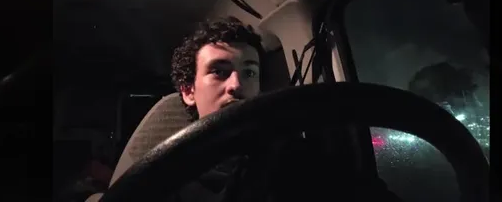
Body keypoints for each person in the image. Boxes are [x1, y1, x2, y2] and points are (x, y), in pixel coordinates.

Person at [168, 17, 402, 202]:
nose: (237, 85)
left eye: (249, 72)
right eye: (219, 71)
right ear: (188, 91)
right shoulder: (168, 179)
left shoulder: (298, 157)